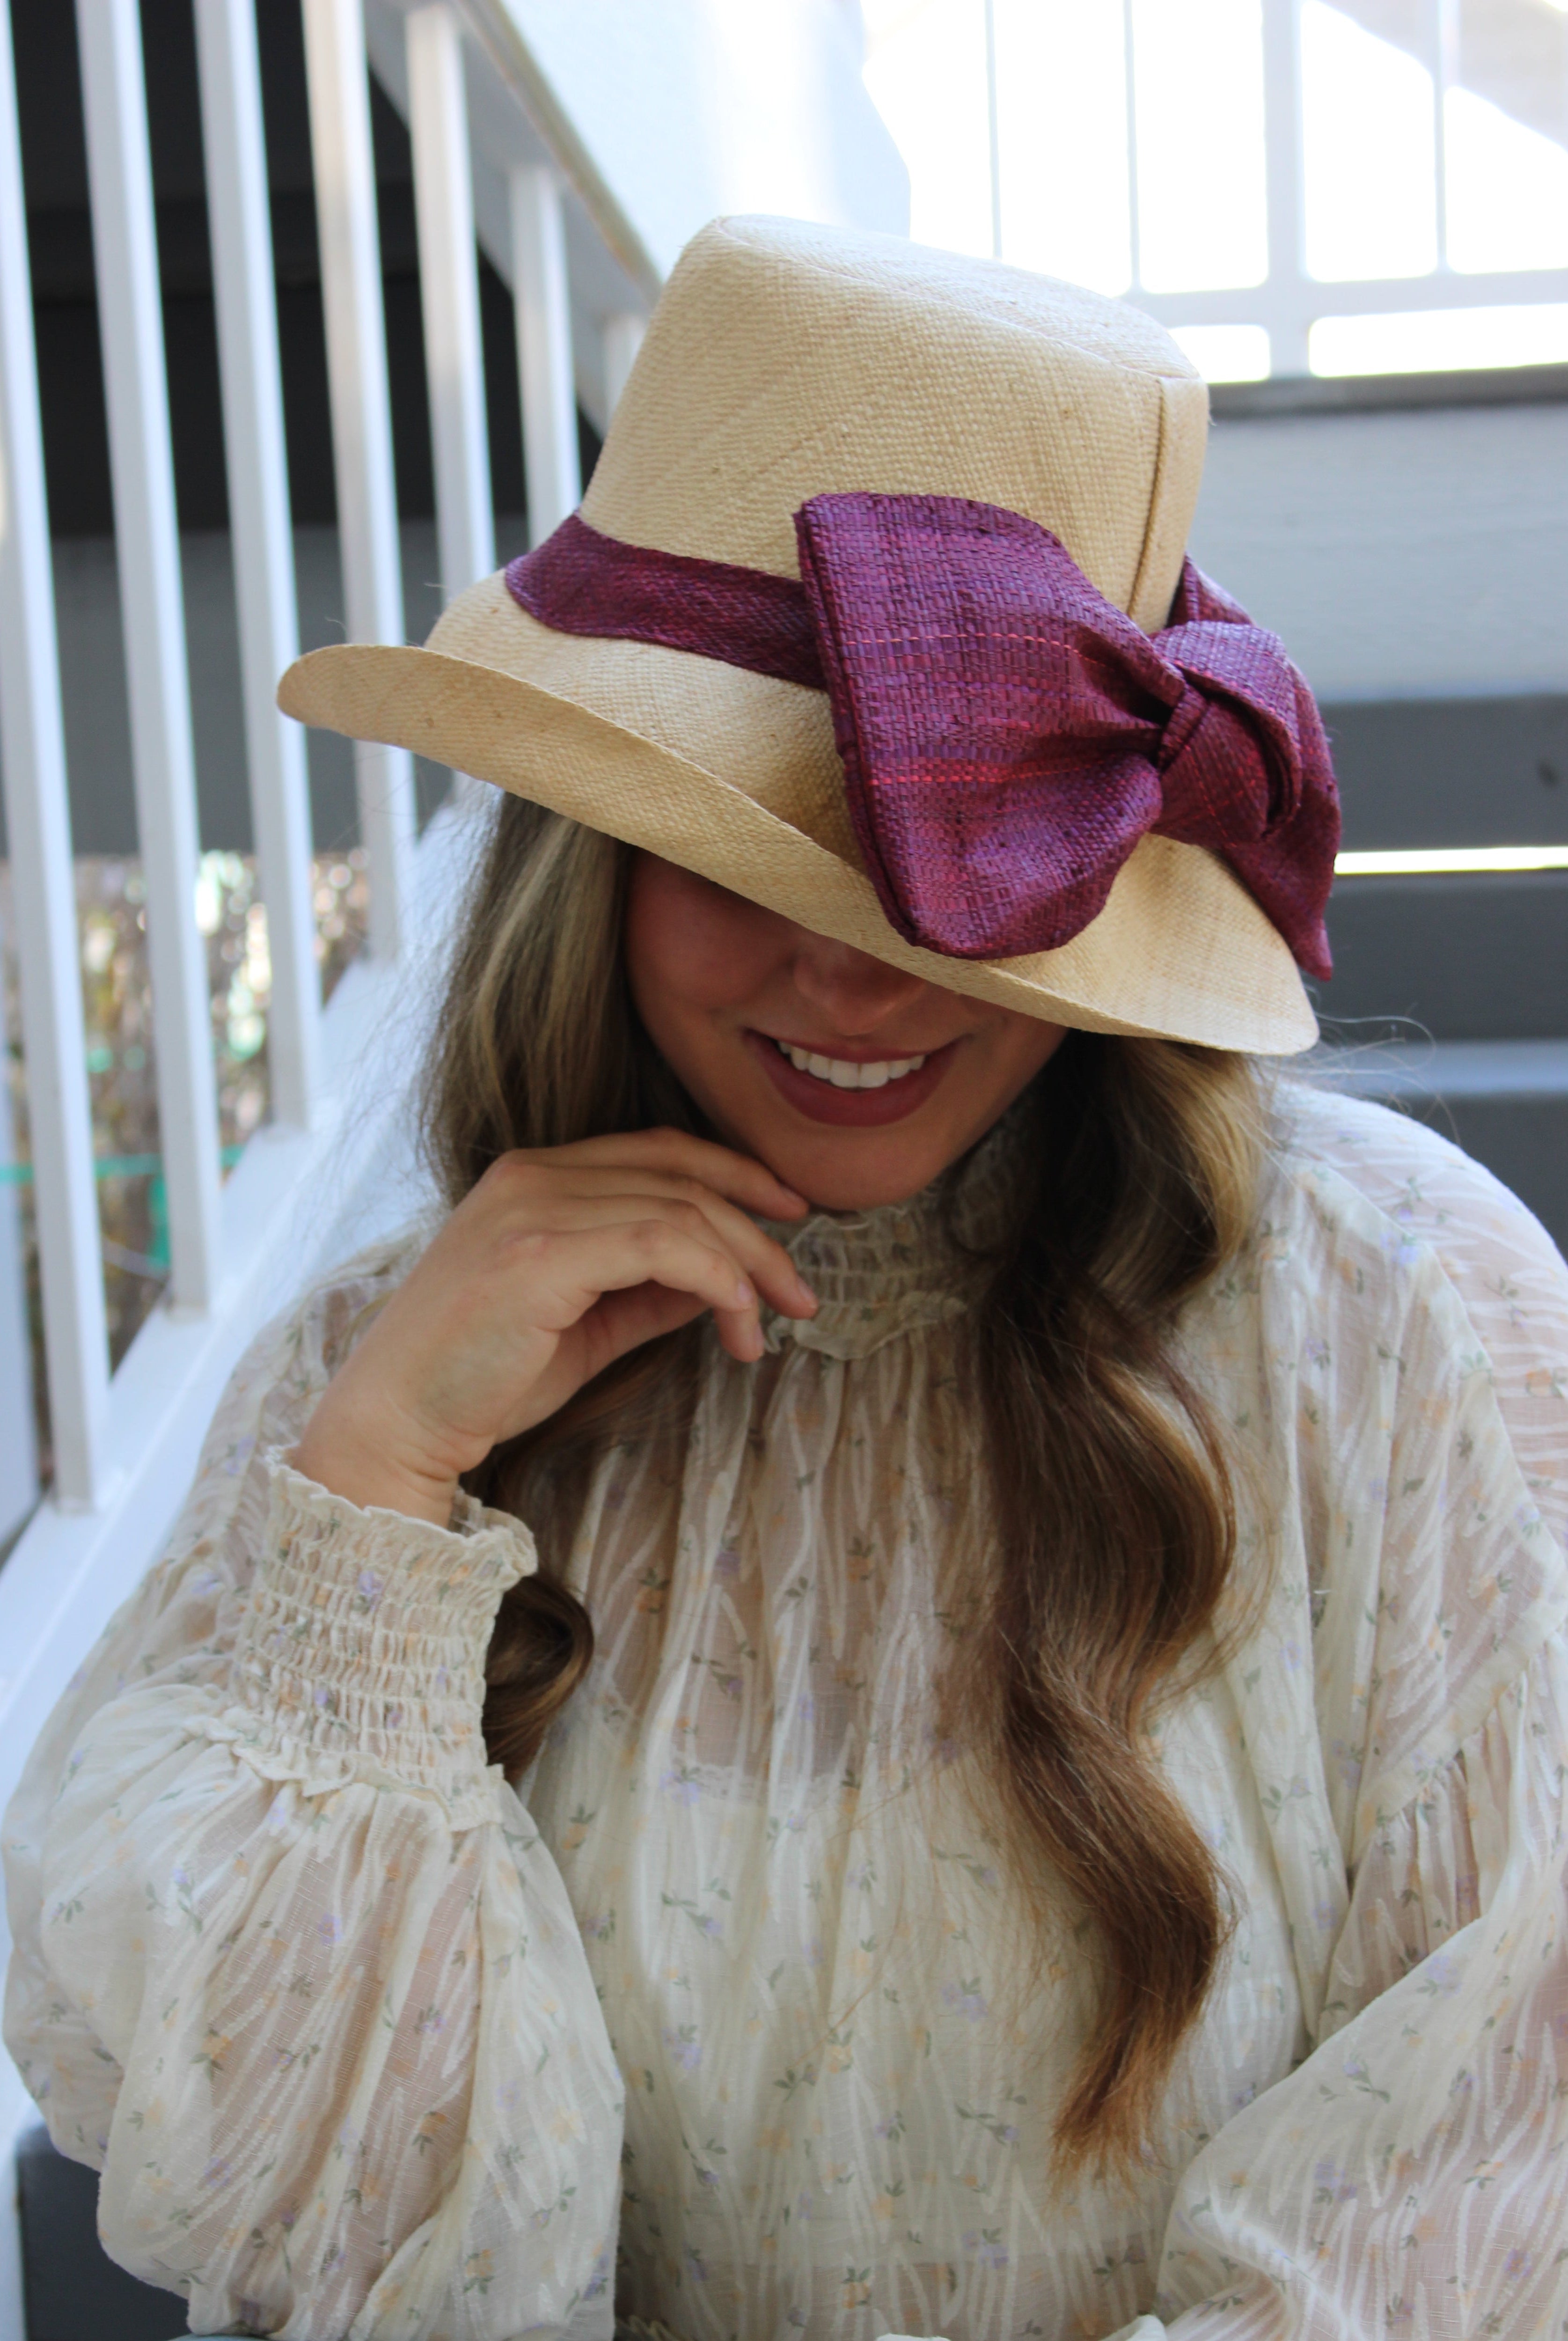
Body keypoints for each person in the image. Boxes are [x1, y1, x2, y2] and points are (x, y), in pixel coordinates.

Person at [6, 217, 1567, 2341]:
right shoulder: (389, 1365)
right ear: (587, 853)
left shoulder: (1402, 1318)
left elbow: (1476, 2179)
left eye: (951, 885)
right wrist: (374, 1481)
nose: (851, 975)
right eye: (744, 850)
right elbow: (312, 2220)